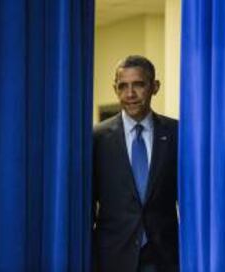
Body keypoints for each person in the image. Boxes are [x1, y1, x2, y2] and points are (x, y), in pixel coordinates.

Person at [92, 55, 179, 272]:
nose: (130, 94)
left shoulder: (177, 133)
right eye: (123, 86)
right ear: (115, 89)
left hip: (165, 258)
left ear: (155, 87)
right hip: (112, 258)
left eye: (138, 85)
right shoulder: (96, 138)